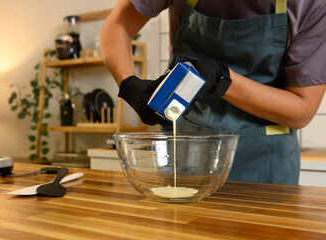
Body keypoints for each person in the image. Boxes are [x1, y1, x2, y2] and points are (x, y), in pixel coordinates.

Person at [99, 0, 326, 185]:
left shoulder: (311, 5)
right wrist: (129, 84)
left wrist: (223, 79)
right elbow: (117, 26)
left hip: (264, 165)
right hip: (184, 154)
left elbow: (302, 109)